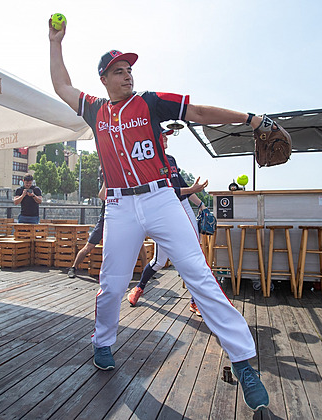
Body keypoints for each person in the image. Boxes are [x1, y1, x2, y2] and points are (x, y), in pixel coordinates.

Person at [49, 19, 269, 411]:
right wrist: (55, 43)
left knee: (199, 276)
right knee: (112, 283)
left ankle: (242, 360)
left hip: (161, 198)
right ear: (104, 78)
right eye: (119, 70)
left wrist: (249, 119)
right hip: (118, 205)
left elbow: (198, 110)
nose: (128, 73)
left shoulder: (149, 101)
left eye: (130, 68)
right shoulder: (95, 110)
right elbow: (62, 86)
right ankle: (102, 343)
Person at [127, 131, 207, 317]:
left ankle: (195, 301)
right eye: (162, 135)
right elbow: (168, 191)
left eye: (166, 135)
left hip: (182, 206)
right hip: (164, 210)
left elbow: (183, 188)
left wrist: (201, 204)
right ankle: (139, 288)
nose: (165, 138)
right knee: (159, 261)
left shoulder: (170, 159)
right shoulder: (150, 160)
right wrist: (191, 189)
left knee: (193, 255)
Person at [69, 183, 148, 278]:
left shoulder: (125, 184)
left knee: (140, 244)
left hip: (123, 220)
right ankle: (73, 268)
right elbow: (102, 196)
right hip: (105, 219)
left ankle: (145, 271)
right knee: (89, 246)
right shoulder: (108, 182)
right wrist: (107, 180)